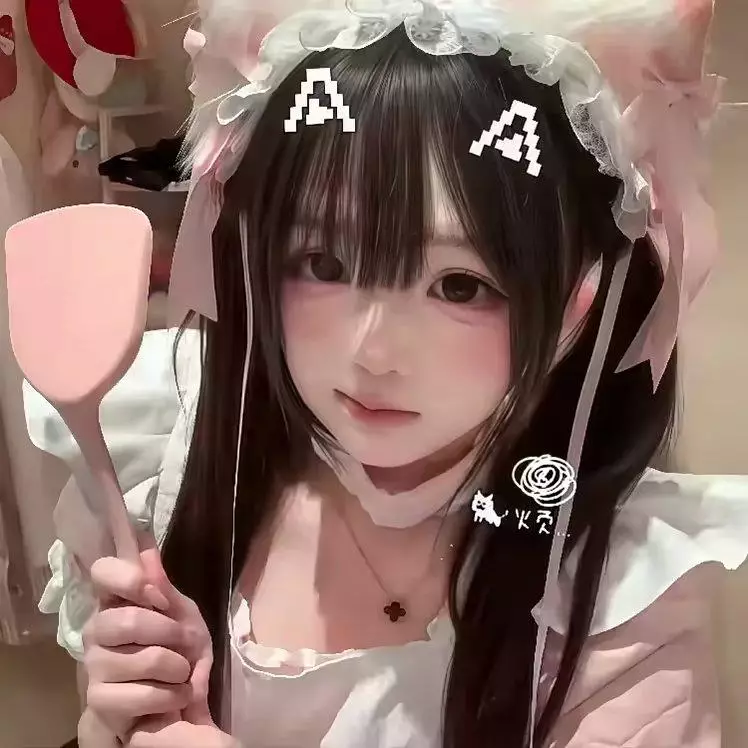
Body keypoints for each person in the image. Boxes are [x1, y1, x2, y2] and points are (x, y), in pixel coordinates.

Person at [22, 1, 748, 747]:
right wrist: (112, 725)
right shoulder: (169, 480)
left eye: (459, 285)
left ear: (578, 302)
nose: (374, 355)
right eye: (323, 263)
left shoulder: (621, 609)